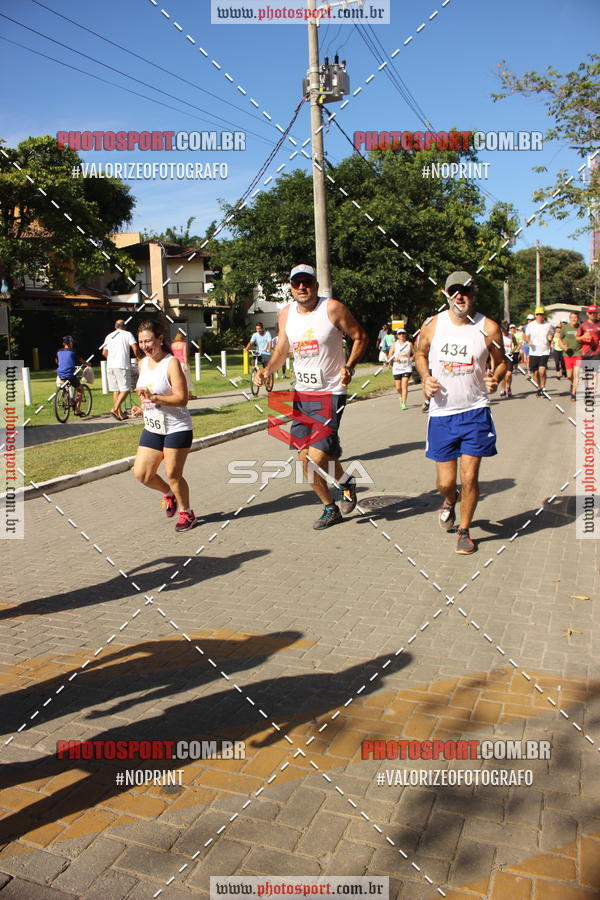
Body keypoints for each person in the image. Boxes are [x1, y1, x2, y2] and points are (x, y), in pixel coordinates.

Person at [256, 264, 368, 530]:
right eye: (297, 283)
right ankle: (333, 504)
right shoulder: (286, 313)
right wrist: (267, 369)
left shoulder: (332, 309)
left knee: (317, 459)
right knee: (305, 460)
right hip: (302, 394)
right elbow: (282, 347)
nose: (302, 287)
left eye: (307, 282)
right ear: (291, 287)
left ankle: (342, 485)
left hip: (330, 393)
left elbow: (360, 336)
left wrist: (349, 366)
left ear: (316, 285)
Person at [414, 271, 506, 554]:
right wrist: (425, 378)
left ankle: (464, 531)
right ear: (446, 294)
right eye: (455, 291)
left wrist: (496, 378)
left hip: (475, 412)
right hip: (442, 414)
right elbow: (419, 353)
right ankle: (448, 499)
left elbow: (501, 362)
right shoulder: (432, 325)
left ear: (473, 294)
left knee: (470, 478)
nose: (460, 296)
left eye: (465, 291)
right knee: (444, 482)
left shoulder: (488, 328)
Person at [131, 320, 196, 532]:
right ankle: (169, 494)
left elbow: (182, 399)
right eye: (141, 342)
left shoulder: (171, 363)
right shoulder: (142, 363)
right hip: (153, 427)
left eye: (148, 340)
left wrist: (155, 398)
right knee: (142, 473)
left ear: (160, 339)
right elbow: (146, 395)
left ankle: (187, 512)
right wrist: (143, 408)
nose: (144, 346)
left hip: (177, 427)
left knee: (173, 473)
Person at [102, 319, 140, 421]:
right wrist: (140, 357)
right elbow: (135, 348)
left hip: (110, 366)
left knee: (116, 390)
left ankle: (120, 414)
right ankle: (114, 409)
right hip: (122, 365)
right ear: (125, 326)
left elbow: (104, 352)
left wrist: (112, 358)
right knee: (126, 389)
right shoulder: (127, 334)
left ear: (115, 326)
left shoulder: (109, 336)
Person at [524, 307, 553, 396]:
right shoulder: (531, 325)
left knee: (542, 370)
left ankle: (543, 387)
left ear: (544, 315)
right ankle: (538, 387)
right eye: (538, 314)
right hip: (534, 351)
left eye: (541, 314)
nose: (540, 316)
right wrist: (529, 342)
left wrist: (550, 338)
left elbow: (551, 334)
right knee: (535, 372)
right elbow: (526, 336)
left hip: (544, 350)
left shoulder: (548, 325)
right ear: (535, 315)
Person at [55, 335, 85, 415]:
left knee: (65, 385)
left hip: (60, 373)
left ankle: (66, 396)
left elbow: (57, 361)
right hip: (70, 374)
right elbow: (81, 360)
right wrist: (87, 364)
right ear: (70, 343)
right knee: (80, 389)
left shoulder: (59, 351)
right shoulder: (73, 352)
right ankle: (77, 410)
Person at [387, 328, 414, 408]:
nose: (401, 335)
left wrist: (412, 358)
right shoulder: (394, 344)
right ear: (397, 335)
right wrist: (395, 359)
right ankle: (401, 395)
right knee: (398, 388)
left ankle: (403, 403)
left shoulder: (409, 344)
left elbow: (415, 353)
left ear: (405, 335)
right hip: (397, 368)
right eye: (400, 334)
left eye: (403, 333)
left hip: (407, 367)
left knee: (404, 385)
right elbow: (389, 355)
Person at [559, 311, 582, 401]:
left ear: (578, 319)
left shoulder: (581, 327)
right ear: (569, 319)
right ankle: (572, 384)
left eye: (575, 317)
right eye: (572, 317)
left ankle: (574, 394)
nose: (574, 319)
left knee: (576, 374)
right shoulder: (565, 328)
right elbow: (560, 339)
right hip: (567, 354)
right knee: (569, 375)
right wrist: (563, 346)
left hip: (578, 354)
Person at [171, 331, 197, 399]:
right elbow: (184, 355)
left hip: (176, 364)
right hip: (183, 363)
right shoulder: (183, 344)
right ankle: (189, 394)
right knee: (187, 379)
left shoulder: (173, 345)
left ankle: (181, 394)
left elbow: (173, 355)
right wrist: (186, 363)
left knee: (178, 380)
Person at [499, 321, 517, 398]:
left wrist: (513, 349)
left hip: (509, 356)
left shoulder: (511, 336)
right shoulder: (499, 336)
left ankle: (508, 387)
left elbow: (516, 344)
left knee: (508, 374)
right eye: (504, 330)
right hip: (501, 356)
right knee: (502, 375)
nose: (505, 332)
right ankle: (503, 389)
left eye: (506, 330)